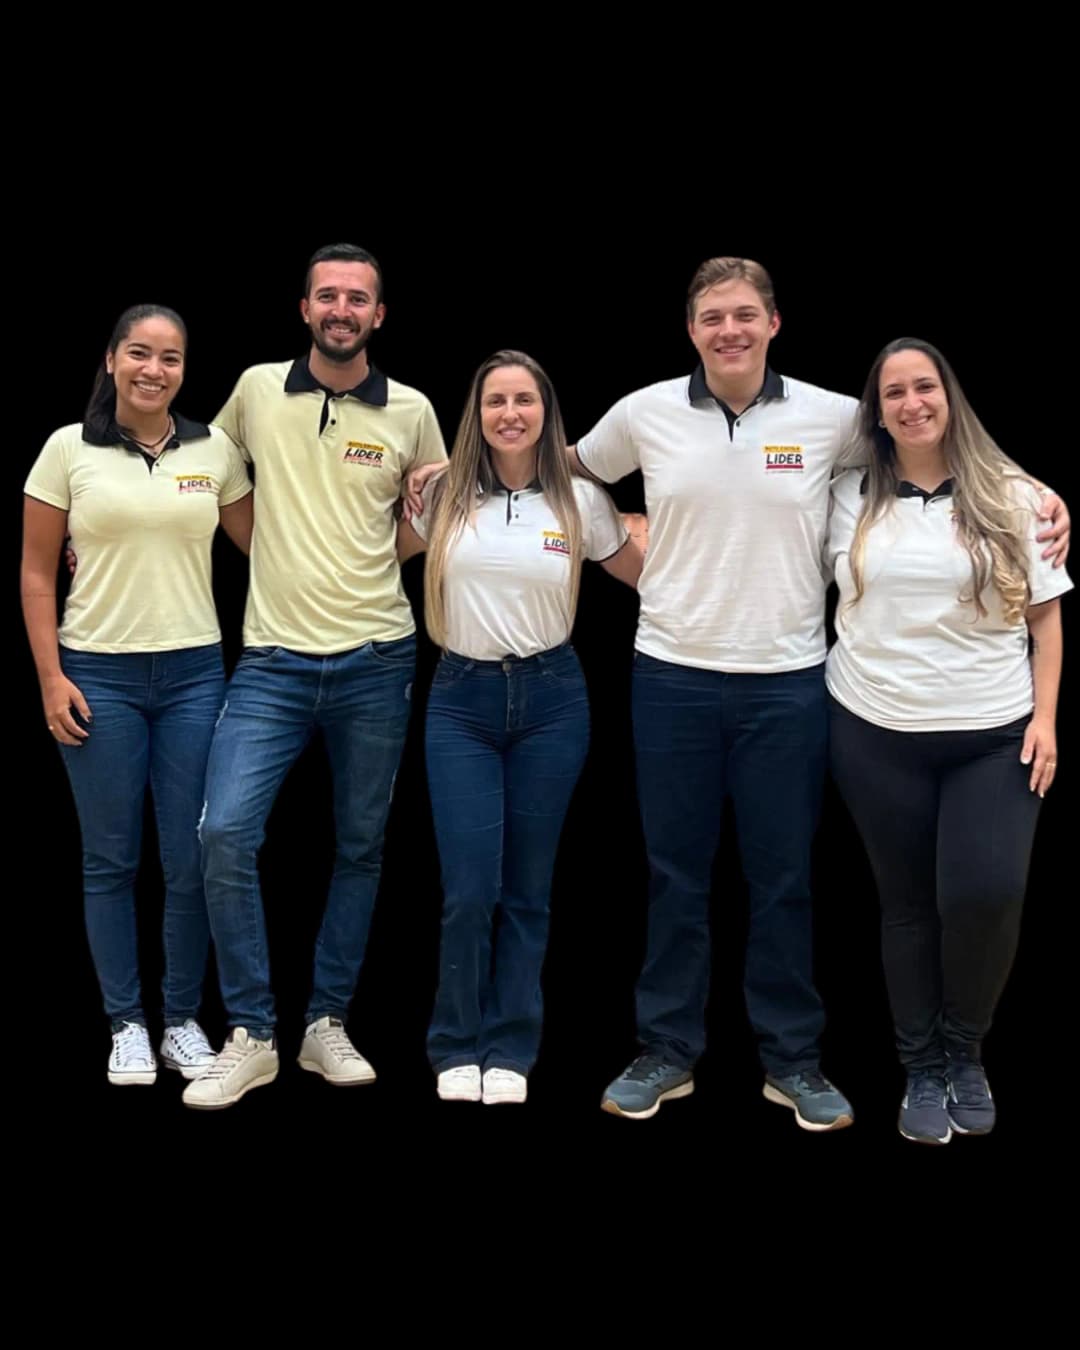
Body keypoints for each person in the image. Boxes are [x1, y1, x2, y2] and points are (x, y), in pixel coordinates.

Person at [408, 255, 1071, 1129]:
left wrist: (1035, 491)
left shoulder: (832, 417)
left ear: (773, 323)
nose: (729, 330)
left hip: (786, 682)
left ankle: (792, 1060)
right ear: (691, 329)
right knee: (674, 874)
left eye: (745, 315)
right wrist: (446, 469)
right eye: (713, 317)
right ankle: (666, 1050)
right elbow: (551, 459)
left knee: (784, 878)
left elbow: (931, 437)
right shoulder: (644, 413)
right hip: (671, 675)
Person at [183, 244, 447, 1110]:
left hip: (377, 657)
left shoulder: (412, 410)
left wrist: (369, 559)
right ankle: (253, 1033)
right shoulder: (258, 389)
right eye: (327, 295)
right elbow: (202, 472)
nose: (341, 309)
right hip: (271, 662)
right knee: (225, 834)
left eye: (357, 298)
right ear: (305, 309)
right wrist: (268, 551)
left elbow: (429, 514)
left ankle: (325, 1022)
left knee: (361, 846)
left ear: (379, 315)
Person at [826, 338, 1070, 1144]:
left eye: (923, 386)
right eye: (893, 392)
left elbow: (1045, 620)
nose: (911, 403)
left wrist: (1045, 720)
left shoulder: (1015, 495)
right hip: (874, 728)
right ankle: (920, 1068)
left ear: (948, 395)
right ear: (877, 411)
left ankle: (965, 1051)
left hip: (992, 735)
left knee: (984, 894)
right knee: (906, 906)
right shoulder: (846, 494)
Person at [399, 351, 640, 1105]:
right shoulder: (442, 496)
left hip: (552, 702)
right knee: (470, 889)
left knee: (528, 889)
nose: (510, 414)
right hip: (460, 702)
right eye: (495, 401)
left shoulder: (579, 501)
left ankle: (511, 1046)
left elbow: (647, 571)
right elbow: (367, 554)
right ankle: (454, 1043)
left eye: (524, 400)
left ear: (546, 412)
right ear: (476, 414)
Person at [22, 304, 254, 1086]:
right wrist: (51, 677)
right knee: (110, 859)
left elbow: (268, 544)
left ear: (185, 370)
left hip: (194, 675)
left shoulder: (213, 449)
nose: (154, 370)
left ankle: (181, 1019)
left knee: (190, 856)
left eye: (171, 358)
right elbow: (36, 572)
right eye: (140, 354)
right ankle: (126, 1024)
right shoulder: (67, 449)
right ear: (112, 360)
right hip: (98, 675)